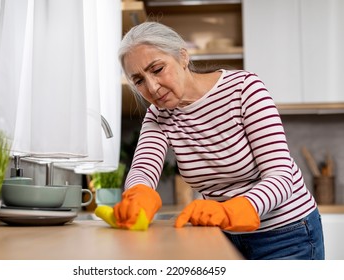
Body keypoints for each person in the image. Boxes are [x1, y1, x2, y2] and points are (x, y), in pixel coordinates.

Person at [112, 21, 325, 260]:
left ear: (183, 57)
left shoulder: (245, 89)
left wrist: (235, 209)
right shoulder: (158, 115)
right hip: (221, 236)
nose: (152, 86)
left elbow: (281, 175)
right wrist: (137, 193)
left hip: (286, 233)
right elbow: (143, 169)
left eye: (157, 69)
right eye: (139, 80)